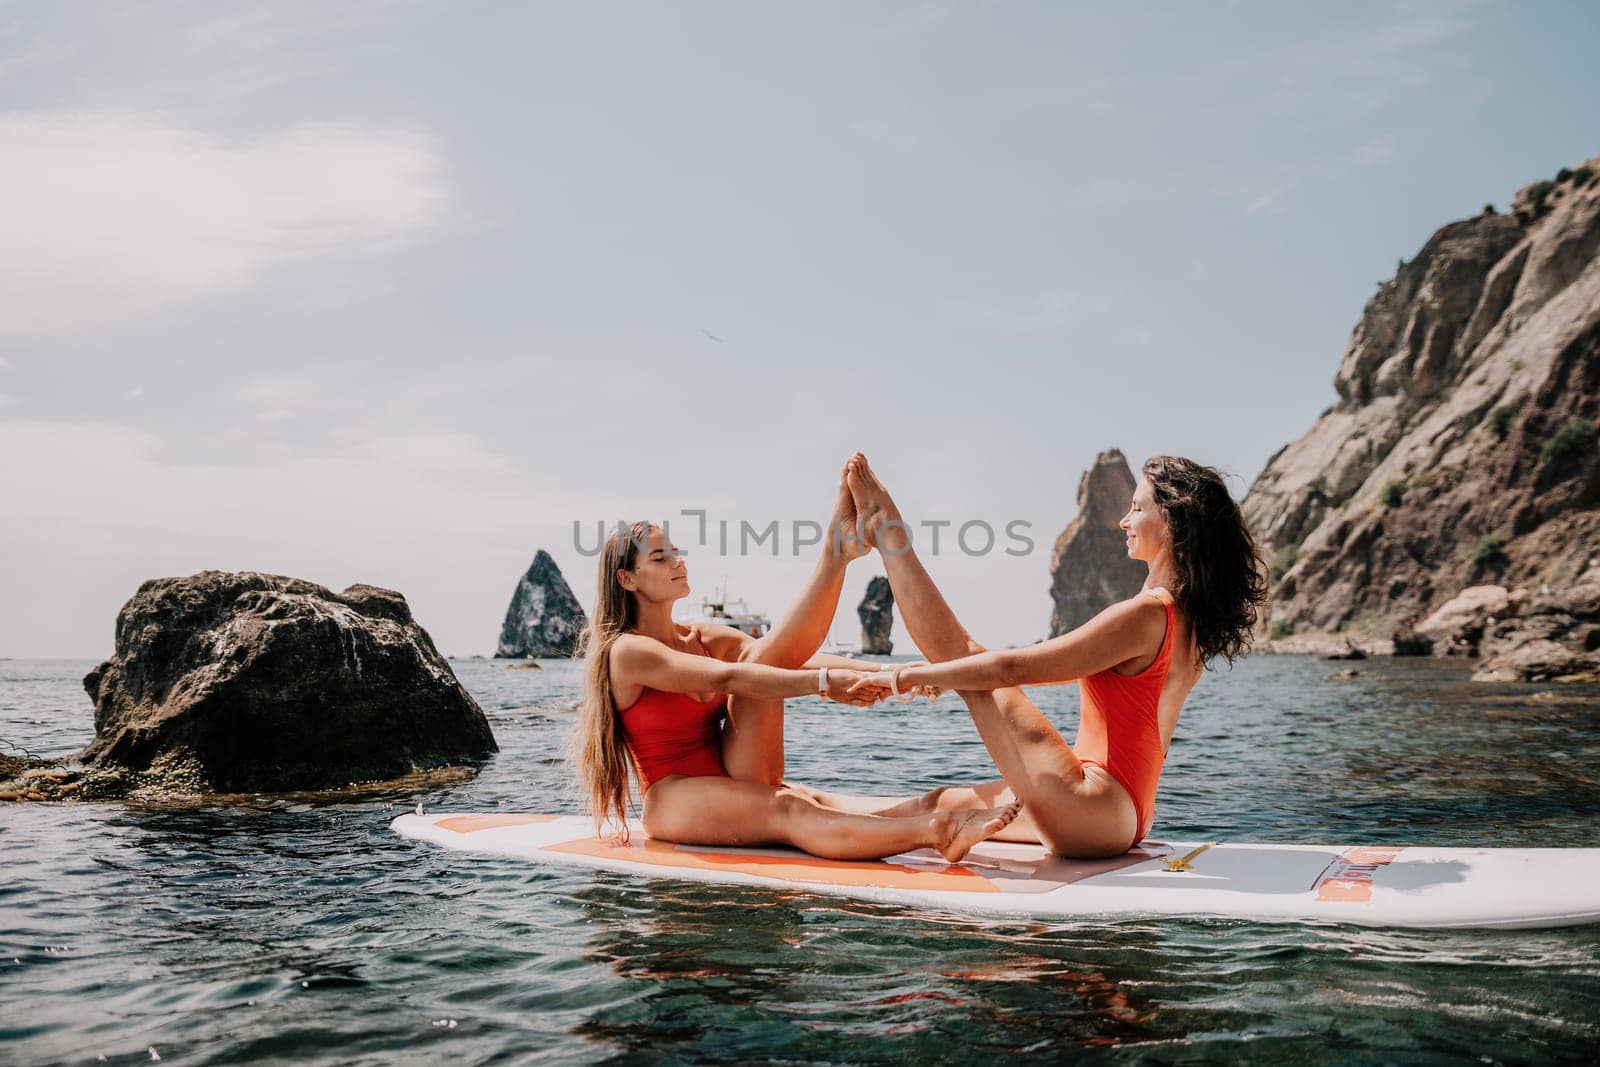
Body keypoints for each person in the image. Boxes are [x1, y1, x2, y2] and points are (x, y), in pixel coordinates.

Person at [573, 462, 1020, 863]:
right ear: (627, 579)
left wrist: (894, 675)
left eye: (675, 551)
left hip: (738, 774)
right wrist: (827, 685)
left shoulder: (701, 636)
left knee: (773, 673)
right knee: (792, 808)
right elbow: (732, 677)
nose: (678, 561)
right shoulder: (627, 651)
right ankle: (940, 832)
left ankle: (1000, 806)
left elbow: (786, 658)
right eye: (660, 557)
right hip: (674, 797)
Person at [832, 453, 1267, 858]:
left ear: (1173, 521)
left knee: (964, 654)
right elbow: (1055, 670)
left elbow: (1013, 668)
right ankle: (819, 821)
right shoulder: (1189, 622)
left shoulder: (1148, 614)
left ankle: (887, 530)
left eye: (1137, 508)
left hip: (1090, 806)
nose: (1123, 520)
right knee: (941, 802)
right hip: (1125, 816)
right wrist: (943, 675)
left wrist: (902, 678)